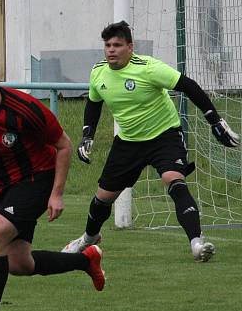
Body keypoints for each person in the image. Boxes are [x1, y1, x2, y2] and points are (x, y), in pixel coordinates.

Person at [63, 20, 239, 262]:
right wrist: (87, 134)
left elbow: (189, 86)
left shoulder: (148, 68)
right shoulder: (98, 72)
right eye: (107, 45)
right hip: (128, 142)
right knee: (103, 198)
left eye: (117, 45)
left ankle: (197, 243)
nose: (111, 50)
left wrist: (215, 121)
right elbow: (94, 103)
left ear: (130, 47)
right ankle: (88, 239)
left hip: (164, 135)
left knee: (173, 180)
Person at [0, 52, 105, 311]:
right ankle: (86, 260)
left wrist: (56, 194)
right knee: (18, 263)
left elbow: (64, 146)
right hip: (5, 188)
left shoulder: (24, 108)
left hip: (38, 180)